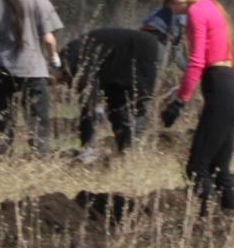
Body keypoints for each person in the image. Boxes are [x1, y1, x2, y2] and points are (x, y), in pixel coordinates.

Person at [155, 0, 234, 212]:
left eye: (169, 5)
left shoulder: (197, 12)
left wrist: (178, 103)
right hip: (229, 89)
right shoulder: (213, 6)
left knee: (196, 167)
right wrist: (228, 91)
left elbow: (196, 60)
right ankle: (230, 217)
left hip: (220, 91)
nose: (171, 11)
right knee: (220, 171)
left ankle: (205, 226)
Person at [0, 0, 63, 158]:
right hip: (33, 69)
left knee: (3, 122)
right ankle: (40, 158)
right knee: (38, 120)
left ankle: (3, 159)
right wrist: (53, 58)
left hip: (2, 69)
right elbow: (48, 39)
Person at [65, 26, 162, 155]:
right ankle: (124, 151)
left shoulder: (78, 63)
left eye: (59, 81)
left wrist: (86, 144)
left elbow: (88, 107)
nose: (64, 85)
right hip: (117, 68)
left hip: (143, 52)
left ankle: (133, 153)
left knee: (137, 104)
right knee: (116, 109)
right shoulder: (72, 55)